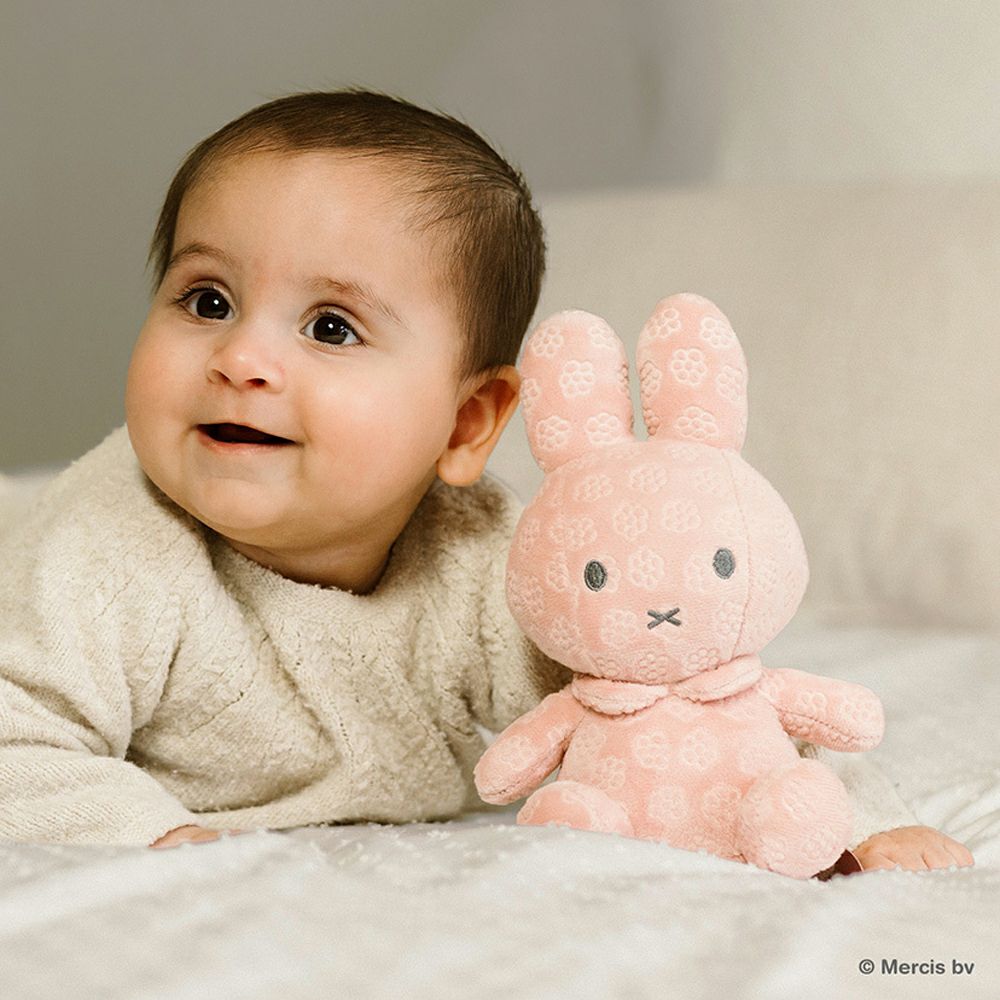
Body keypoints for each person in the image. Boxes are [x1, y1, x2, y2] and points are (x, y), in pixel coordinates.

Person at [0, 89, 971, 872]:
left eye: (330, 326)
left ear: (465, 424)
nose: (241, 357)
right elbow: (16, 736)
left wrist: (850, 825)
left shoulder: (492, 566)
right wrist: (157, 839)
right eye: (206, 300)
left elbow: (689, 698)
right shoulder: (107, 547)